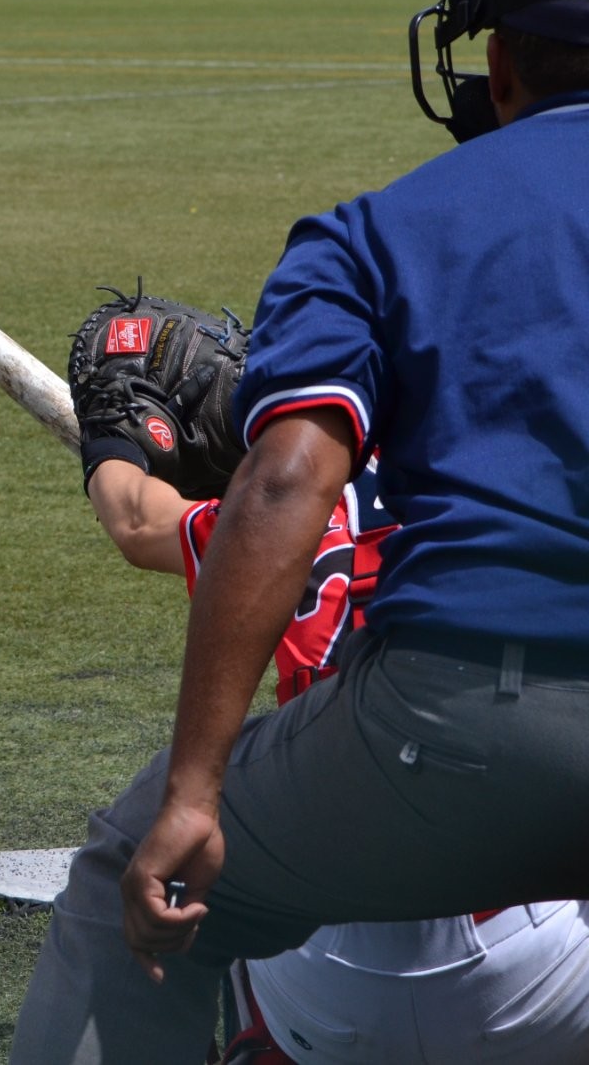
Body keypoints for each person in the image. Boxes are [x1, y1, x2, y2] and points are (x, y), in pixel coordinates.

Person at [8, 0, 589, 1063]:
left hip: (465, 713)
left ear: (498, 63)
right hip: (536, 949)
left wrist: (190, 792)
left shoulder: (377, 231)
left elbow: (280, 487)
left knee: (136, 877)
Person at [86, 419, 589, 1063]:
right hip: (530, 986)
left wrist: (110, 441)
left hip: (319, 993)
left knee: (217, 845)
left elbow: (136, 521)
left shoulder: (276, 518)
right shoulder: (532, 505)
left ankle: (261, 1048)